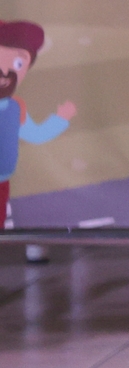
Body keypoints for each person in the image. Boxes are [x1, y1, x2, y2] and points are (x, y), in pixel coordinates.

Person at [0, 22, 73, 232]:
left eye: (18, 63)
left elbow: (35, 134)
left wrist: (60, 119)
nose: (5, 70)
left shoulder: (15, 107)